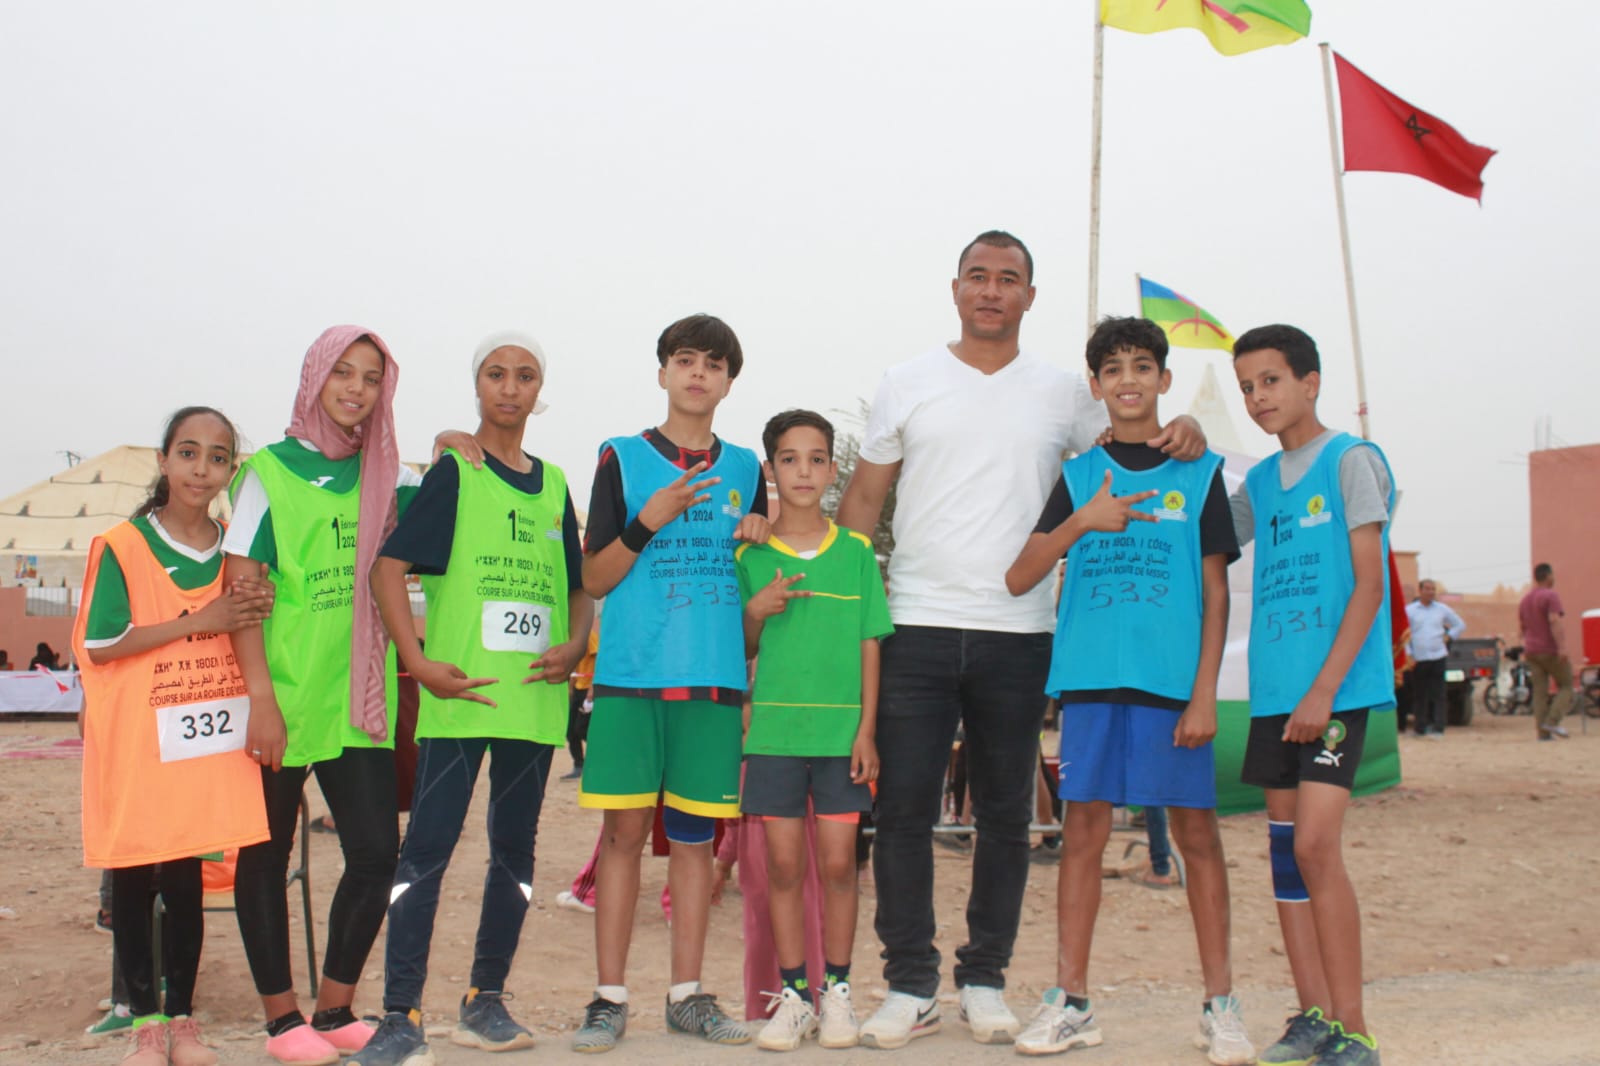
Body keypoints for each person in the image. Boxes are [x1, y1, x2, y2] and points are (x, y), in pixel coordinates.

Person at [836, 231, 1207, 1048]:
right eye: (978, 276)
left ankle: (984, 978)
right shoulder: (907, 383)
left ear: (1030, 297)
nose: (991, 290)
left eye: (1009, 279)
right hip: (916, 621)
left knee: (1005, 816)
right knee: (903, 812)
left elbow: (1135, 433)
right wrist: (846, 613)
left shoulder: (1065, 394)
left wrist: (1187, 427)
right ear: (956, 288)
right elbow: (861, 504)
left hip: (1022, 631)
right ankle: (909, 985)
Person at [1003, 317, 1250, 1063]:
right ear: (1096, 385)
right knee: (1083, 835)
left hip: (1170, 688)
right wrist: (1082, 522)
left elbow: (1216, 594)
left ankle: (1220, 1004)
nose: (1129, 380)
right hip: (1090, 685)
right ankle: (1071, 1000)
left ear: (1165, 379)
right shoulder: (1081, 476)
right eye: (1113, 369)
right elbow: (1020, 575)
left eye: (1143, 366)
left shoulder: (1198, 472)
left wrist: (1204, 694)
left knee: (1197, 837)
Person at [356, 333, 593, 1064]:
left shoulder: (555, 485)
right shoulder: (456, 472)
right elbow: (387, 569)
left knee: (514, 855)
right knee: (425, 853)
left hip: (533, 704)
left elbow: (579, 587)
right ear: (478, 385)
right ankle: (400, 1014)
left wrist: (575, 645)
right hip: (460, 698)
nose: (510, 388)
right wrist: (417, 661)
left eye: (525, 376)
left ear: (539, 390)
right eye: (496, 374)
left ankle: (484, 1000)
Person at [223, 326, 422, 1066]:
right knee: (265, 858)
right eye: (343, 372)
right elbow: (242, 595)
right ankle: (281, 1021)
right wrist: (261, 700)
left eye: (371, 377)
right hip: (283, 698)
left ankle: (334, 1009)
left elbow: (446, 512)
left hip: (357, 702)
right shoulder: (267, 474)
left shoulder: (388, 474)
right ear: (314, 378)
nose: (356, 389)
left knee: (375, 854)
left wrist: (455, 443)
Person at [571, 313, 770, 1052]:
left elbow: (756, 568)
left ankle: (687, 995)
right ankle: (608, 997)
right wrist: (646, 522)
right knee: (623, 835)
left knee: (693, 839)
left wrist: (759, 532)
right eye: (685, 360)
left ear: (728, 382)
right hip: (631, 675)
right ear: (662, 372)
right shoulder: (621, 457)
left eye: (713, 364)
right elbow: (594, 577)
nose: (697, 374)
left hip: (713, 682)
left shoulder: (746, 469)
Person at [72, 406, 274, 1066]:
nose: (201, 468)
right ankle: (145, 1023)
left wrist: (257, 606)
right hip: (142, 737)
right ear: (163, 461)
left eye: (218, 457)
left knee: (187, 875)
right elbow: (102, 644)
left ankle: (182, 1019)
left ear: (230, 472)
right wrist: (199, 620)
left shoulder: (236, 552)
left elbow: (253, 624)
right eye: (188, 453)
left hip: (202, 736)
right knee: (134, 874)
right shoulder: (123, 546)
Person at [1230, 324, 1394, 1066]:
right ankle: (1313, 1017)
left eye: (1270, 380)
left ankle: (1355, 1029)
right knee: (1286, 855)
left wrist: (1324, 689)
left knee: (1317, 845)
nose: (1258, 397)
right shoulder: (1261, 483)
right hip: (1275, 695)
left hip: (1334, 693)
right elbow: (1204, 537)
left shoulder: (1351, 461)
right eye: (1247, 387)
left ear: (1310, 381)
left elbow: (1369, 585)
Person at [735, 409, 893, 1051]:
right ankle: (795, 996)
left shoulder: (855, 553)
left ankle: (839, 993)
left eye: (817, 458)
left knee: (837, 866)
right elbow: (741, 647)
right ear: (771, 469)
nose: (803, 470)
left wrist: (867, 730)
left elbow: (869, 644)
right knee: (782, 866)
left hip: (840, 741)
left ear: (833, 469)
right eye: (789, 458)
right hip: (774, 736)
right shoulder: (748, 554)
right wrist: (755, 610)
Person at [1403, 579, 1465, 738]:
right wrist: (1409, 653)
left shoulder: (1441, 609)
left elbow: (1459, 624)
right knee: (1420, 695)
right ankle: (1420, 728)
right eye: (1427, 589)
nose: (1430, 592)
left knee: (1438, 694)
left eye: (1433, 589)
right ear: (1420, 590)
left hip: (1438, 656)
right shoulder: (1410, 611)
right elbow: (1404, 634)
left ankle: (1438, 727)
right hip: (1419, 658)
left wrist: (1449, 636)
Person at [1519, 563, 1573, 741]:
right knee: (1566, 685)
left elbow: (1522, 627)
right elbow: (1554, 620)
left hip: (1531, 650)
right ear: (1548, 576)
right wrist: (1562, 647)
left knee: (1539, 692)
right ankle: (1552, 721)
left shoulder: (1525, 600)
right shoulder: (1551, 596)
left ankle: (1542, 733)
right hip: (1549, 649)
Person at [563, 614, 601, 780]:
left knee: (582, 729)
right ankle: (579, 765)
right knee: (570, 731)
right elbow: (575, 666)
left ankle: (601, 759)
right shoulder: (570, 636)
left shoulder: (587, 635)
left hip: (588, 688)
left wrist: (593, 688)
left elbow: (597, 657)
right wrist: (570, 688)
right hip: (578, 687)